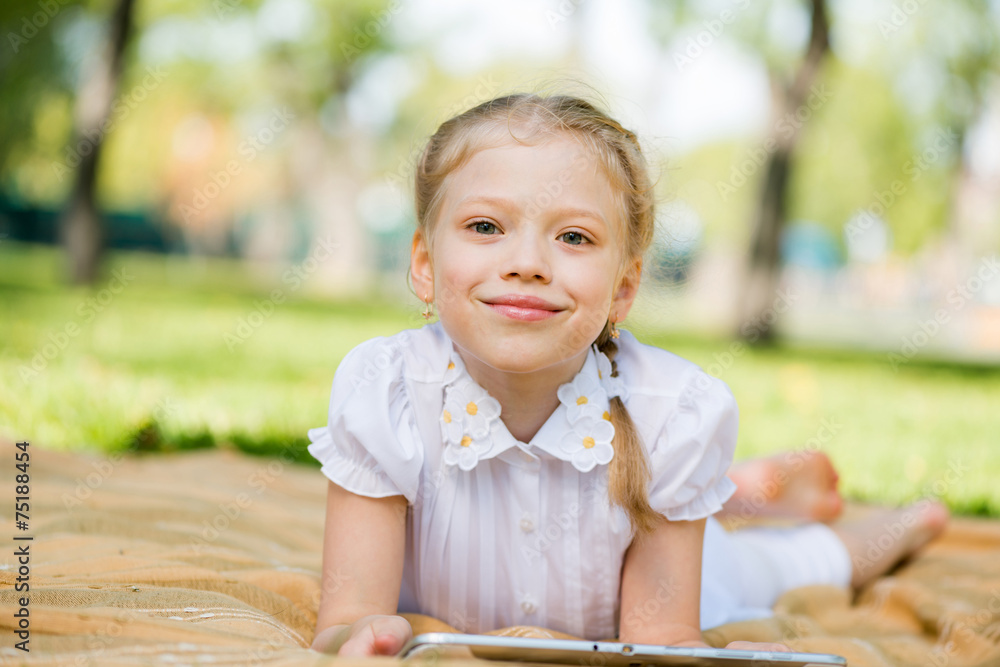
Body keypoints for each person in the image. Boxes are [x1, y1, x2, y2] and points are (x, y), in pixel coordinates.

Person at [306, 92, 948, 656]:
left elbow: (661, 640)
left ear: (624, 288)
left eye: (575, 238)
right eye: (485, 226)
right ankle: (735, 493)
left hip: (670, 571)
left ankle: (882, 525)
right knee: (698, 505)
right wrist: (360, 637)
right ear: (423, 261)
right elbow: (344, 620)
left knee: (787, 567)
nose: (527, 262)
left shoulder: (671, 414)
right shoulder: (385, 394)